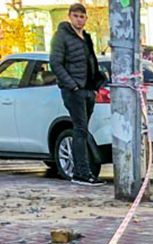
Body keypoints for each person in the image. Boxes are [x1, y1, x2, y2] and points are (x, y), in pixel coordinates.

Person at [50, 3, 105, 186]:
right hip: (74, 91)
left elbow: (91, 61)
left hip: (88, 89)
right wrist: (72, 86)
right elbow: (55, 63)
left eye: (82, 16)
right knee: (80, 130)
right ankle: (81, 172)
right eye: (76, 16)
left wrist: (96, 85)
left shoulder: (86, 37)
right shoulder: (61, 37)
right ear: (69, 16)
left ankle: (83, 171)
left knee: (82, 130)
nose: (79, 20)